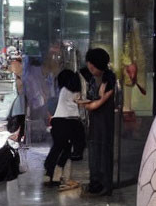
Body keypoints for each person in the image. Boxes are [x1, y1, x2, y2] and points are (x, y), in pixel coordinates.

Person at [81, 48, 116, 196]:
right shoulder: (92, 79)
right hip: (95, 122)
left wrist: (82, 103)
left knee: (103, 152)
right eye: (89, 65)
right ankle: (95, 182)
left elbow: (96, 104)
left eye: (93, 66)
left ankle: (104, 185)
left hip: (104, 122)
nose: (90, 68)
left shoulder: (109, 81)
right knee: (94, 152)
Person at [44, 69, 85, 188]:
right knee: (66, 150)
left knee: (58, 148)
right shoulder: (74, 91)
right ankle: (56, 173)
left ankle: (51, 174)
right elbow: (80, 103)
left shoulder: (63, 90)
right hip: (69, 121)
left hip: (58, 122)